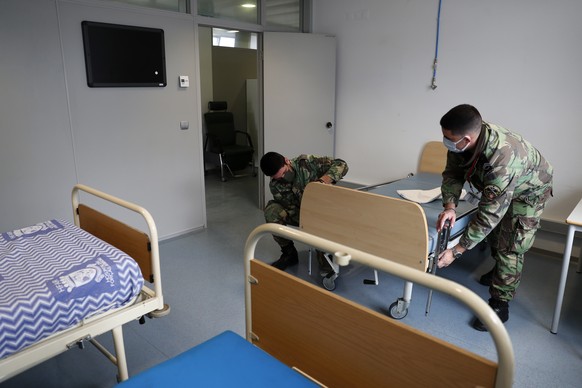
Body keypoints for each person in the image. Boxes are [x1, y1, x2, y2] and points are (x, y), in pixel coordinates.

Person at [436, 104, 553, 331]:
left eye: (450, 139)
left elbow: (489, 215)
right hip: (503, 188)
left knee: (510, 245)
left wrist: (456, 251)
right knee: (495, 235)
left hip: (529, 194)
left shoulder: (502, 158)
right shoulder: (461, 144)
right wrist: (450, 206)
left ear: (467, 139)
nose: (446, 142)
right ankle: (498, 270)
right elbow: (452, 173)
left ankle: (500, 304)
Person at [260, 152, 349, 271]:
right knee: (271, 211)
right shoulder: (275, 185)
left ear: (287, 161)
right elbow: (290, 207)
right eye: (278, 177)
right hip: (301, 212)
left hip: (322, 212)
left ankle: (325, 254)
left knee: (327, 267)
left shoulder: (306, 163)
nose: (283, 178)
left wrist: (322, 182)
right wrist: (306, 221)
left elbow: (342, 164)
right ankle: (289, 254)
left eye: (284, 173)